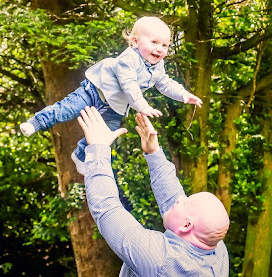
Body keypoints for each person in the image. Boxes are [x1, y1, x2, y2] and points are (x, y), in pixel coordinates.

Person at [20, 16, 203, 174]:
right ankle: (35, 123)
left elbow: (164, 83)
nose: (160, 49)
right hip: (94, 91)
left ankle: (80, 154)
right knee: (66, 110)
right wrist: (143, 106)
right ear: (134, 41)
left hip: (115, 107)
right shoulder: (128, 59)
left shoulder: (158, 67)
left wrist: (183, 95)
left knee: (104, 135)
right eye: (154, 42)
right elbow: (129, 84)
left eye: (165, 45)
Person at [77, 106, 230, 276]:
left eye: (184, 203)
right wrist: (154, 152)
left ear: (187, 225)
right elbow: (174, 200)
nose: (180, 199)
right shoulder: (217, 251)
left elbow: (106, 209)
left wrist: (98, 148)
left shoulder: (161, 260)